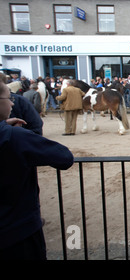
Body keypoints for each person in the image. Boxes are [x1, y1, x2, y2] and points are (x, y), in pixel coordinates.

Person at [0, 81, 74, 260]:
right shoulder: (13, 136)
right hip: (17, 230)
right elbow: (65, 158)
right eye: (8, 98)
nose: (12, 103)